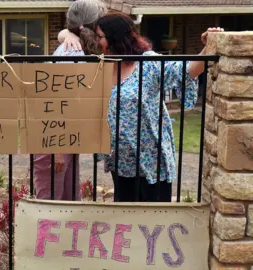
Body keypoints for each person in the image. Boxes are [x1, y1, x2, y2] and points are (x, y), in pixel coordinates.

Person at [58, 12, 223, 202]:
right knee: (126, 220)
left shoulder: (148, 63)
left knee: (154, 219)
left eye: (100, 37)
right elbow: (67, 35)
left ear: (116, 37)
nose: (97, 41)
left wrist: (208, 46)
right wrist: (68, 34)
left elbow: (188, 70)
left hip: (151, 160)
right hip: (120, 162)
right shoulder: (104, 63)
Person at [33, 0, 107, 201]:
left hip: (65, 139)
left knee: (67, 202)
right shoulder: (71, 53)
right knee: (51, 205)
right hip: (55, 141)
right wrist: (56, 150)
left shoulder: (77, 49)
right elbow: (54, 102)